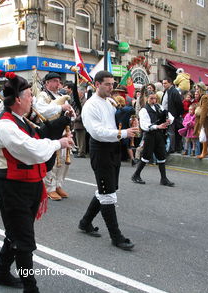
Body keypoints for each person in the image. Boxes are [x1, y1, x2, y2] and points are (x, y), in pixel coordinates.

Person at [0, 72, 73, 293]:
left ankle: (1, 272)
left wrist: (63, 121)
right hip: (13, 187)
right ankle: (30, 287)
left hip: (30, 185)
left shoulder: (20, 120)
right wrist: (59, 143)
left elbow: (40, 134)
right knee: (24, 240)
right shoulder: (4, 126)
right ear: (18, 99)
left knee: (16, 233)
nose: (32, 100)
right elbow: (34, 150)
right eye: (29, 95)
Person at [78, 71, 138, 251]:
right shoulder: (90, 106)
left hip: (113, 148)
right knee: (107, 194)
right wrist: (124, 133)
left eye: (112, 84)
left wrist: (128, 121)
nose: (111, 88)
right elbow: (97, 132)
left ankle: (85, 222)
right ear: (97, 84)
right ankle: (116, 236)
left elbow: (114, 124)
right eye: (107, 84)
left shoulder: (110, 102)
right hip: (100, 149)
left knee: (108, 189)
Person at [34, 72, 73, 201]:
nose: (58, 84)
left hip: (62, 131)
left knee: (63, 161)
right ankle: (49, 187)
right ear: (47, 83)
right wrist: (61, 107)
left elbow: (71, 113)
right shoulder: (43, 95)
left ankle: (58, 185)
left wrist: (70, 113)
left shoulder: (62, 95)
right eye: (55, 81)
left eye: (59, 81)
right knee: (52, 160)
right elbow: (41, 110)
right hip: (49, 131)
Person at [131, 91, 175, 186]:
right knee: (146, 156)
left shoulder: (159, 107)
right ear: (146, 98)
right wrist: (157, 127)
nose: (154, 100)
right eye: (151, 98)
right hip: (150, 135)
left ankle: (163, 179)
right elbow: (144, 125)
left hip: (159, 135)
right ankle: (136, 175)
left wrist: (168, 121)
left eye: (155, 98)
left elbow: (170, 116)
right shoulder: (144, 110)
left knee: (161, 156)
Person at [162, 78, 183, 153]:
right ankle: (170, 147)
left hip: (172, 115)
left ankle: (172, 148)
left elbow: (179, 104)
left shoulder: (174, 91)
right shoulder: (167, 91)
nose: (164, 85)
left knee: (171, 132)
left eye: (165, 83)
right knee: (169, 132)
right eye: (163, 83)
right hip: (167, 114)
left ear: (170, 83)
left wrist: (175, 115)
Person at [193, 83, 208, 159]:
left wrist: (201, 123)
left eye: (197, 89)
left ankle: (204, 152)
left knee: (204, 135)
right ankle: (204, 151)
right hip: (202, 120)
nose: (196, 90)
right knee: (203, 136)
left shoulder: (204, 97)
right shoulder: (202, 97)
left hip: (204, 120)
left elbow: (204, 111)